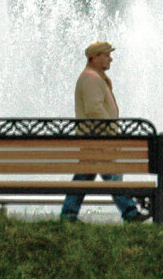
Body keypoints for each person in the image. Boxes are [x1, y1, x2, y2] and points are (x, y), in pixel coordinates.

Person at [59, 41, 148, 223]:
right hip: (98, 139)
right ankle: (130, 213)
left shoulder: (94, 77)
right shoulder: (91, 78)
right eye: (106, 55)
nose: (110, 58)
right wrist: (110, 133)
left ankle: (68, 215)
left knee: (84, 176)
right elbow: (94, 109)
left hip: (95, 140)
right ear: (94, 57)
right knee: (112, 175)